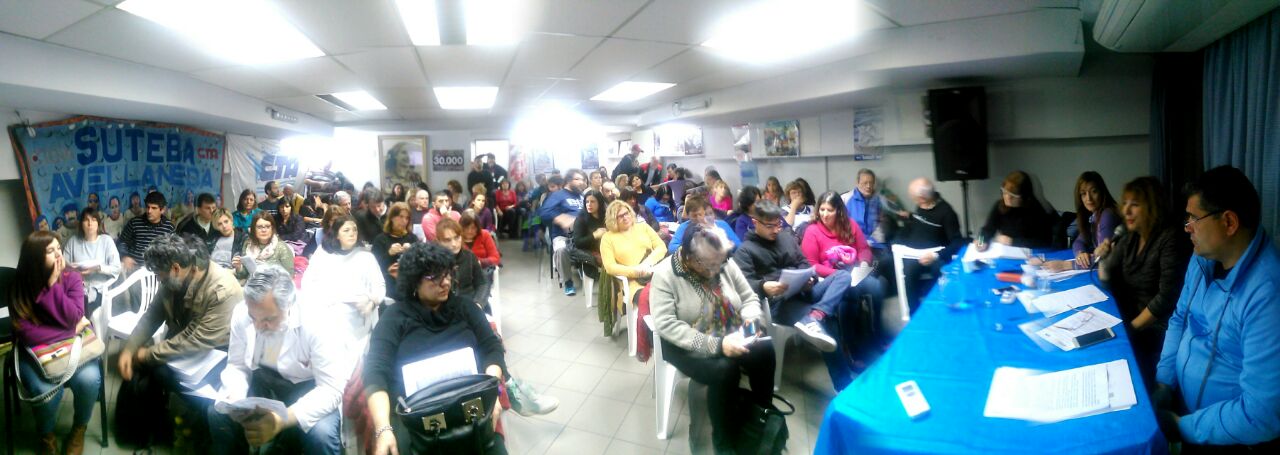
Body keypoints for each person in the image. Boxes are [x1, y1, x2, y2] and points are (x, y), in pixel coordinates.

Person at [1153, 166, 1280, 450]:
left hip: (1229, 438)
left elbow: (1261, 414)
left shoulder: (1267, 294)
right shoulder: (1202, 258)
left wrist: (1182, 427)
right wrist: (1164, 383)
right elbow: (1179, 319)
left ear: (1229, 222)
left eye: (1194, 219)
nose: (1187, 227)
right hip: (1187, 411)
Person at [363, 242, 508, 455]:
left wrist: (491, 394)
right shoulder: (395, 317)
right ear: (414, 280)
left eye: (447, 274)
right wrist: (383, 428)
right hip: (419, 420)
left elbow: (492, 349)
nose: (445, 282)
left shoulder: (466, 308)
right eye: (434, 277)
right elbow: (375, 372)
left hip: (470, 409)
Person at [649, 225, 775, 453]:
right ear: (690, 259)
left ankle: (761, 415)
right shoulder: (665, 274)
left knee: (764, 351)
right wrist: (717, 345)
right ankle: (722, 440)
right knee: (724, 369)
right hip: (685, 344)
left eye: (720, 262)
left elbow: (748, 297)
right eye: (710, 265)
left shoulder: (722, 262)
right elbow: (667, 325)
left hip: (730, 331)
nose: (718, 270)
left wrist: (752, 325)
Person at [208, 266, 351, 454]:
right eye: (253, 318)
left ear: (289, 305)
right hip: (264, 378)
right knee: (217, 414)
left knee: (321, 435)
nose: (258, 326)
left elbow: (331, 388)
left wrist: (280, 420)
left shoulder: (319, 320)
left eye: (269, 319)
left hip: (309, 385)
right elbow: (237, 365)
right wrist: (236, 399)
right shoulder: (243, 311)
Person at [118, 234, 241, 446]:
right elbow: (152, 315)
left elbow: (193, 340)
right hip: (188, 348)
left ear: (175, 268)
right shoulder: (175, 277)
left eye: (159, 275)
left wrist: (147, 354)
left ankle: (202, 421)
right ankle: (156, 426)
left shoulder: (222, 289)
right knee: (154, 372)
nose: (159, 280)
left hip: (220, 354)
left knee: (184, 385)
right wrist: (129, 349)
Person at [734, 200, 871, 389]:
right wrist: (764, 286)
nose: (776, 230)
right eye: (770, 226)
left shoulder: (785, 237)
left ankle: (817, 314)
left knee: (843, 277)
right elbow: (744, 285)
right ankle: (842, 384)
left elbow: (805, 263)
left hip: (804, 290)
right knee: (829, 321)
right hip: (780, 303)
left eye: (778, 224)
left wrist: (810, 279)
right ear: (755, 222)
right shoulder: (745, 250)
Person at [10, 231, 102, 455]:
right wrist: (71, 330)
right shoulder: (20, 283)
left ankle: (79, 429)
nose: (59, 254)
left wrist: (53, 287)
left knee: (90, 380)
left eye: (59, 248)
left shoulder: (72, 278)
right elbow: (27, 334)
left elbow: (75, 315)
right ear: (34, 257)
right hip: (35, 352)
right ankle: (47, 436)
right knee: (46, 391)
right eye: (50, 251)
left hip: (74, 349)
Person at [1096, 177, 1189, 384]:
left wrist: (1130, 329)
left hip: (1156, 328)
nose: (1126, 211)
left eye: (1135, 205)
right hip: (1131, 319)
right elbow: (1110, 282)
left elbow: (1167, 298)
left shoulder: (1170, 238)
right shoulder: (1131, 235)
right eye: (1125, 203)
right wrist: (1104, 259)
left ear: (1152, 207)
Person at [800, 191, 886, 336]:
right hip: (829, 278)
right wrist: (840, 275)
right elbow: (812, 264)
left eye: (830, 210)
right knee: (849, 295)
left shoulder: (850, 225)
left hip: (854, 273)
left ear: (838, 211)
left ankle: (878, 329)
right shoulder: (812, 231)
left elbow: (863, 249)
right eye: (822, 209)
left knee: (877, 286)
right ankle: (850, 341)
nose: (825, 214)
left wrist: (864, 264)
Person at [300, 212, 385, 346]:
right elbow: (308, 283)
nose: (352, 233)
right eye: (346, 230)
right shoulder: (323, 254)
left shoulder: (366, 257)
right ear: (337, 235)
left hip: (360, 321)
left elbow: (379, 285)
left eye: (354, 230)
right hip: (329, 320)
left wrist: (373, 302)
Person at [891, 178, 964, 312]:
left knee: (940, 271)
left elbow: (957, 242)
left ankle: (942, 311)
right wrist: (911, 217)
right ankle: (914, 314)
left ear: (922, 198)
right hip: (914, 252)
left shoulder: (947, 213)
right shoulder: (922, 205)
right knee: (908, 272)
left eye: (915, 199)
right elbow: (923, 222)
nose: (914, 202)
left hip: (936, 255)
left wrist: (935, 255)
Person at [1039, 172, 1122, 272]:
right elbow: (1078, 241)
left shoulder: (1107, 215)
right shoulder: (1093, 215)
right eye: (1083, 194)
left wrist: (1065, 265)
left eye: (1094, 191)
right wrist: (1080, 253)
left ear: (1102, 192)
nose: (1088, 198)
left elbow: (1105, 259)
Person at [62, 207, 121, 312]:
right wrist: (75, 271)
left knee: (90, 313)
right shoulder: (73, 242)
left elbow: (116, 268)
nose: (90, 224)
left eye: (93, 220)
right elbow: (63, 266)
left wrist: (98, 268)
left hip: (101, 290)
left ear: (98, 223)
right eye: (86, 220)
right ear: (81, 224)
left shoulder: (106, 241)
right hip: (77, 289)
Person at [975, 170, 1053, 250]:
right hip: (1007, 250)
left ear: (1023, 196)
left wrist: (1012, 241)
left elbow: (1044, 241)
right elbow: (986, 230)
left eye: (1012, 196)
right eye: (1005, 192)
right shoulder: (1000, 205)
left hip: (1029, 252)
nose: (1007, 198)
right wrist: (981, 241)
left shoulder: (1035, 210)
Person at [538, 169, 587, 296]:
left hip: (582, 234)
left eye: (583, 180)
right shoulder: (558, 195)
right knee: (561, 249)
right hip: (563, 235)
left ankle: (587, 270)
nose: (581, 182)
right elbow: (544, 212)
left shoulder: (582, 196)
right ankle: (568, 282)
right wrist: (559, 217)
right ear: (569, 181)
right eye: (578, 179)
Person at [117, 191, 176, 290]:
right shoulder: (134, 223)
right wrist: (125, 256)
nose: (149, 211)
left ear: (162, 210)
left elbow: (173, 251)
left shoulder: (169, 227)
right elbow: (121, 242)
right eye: (147, 207)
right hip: (135, 273)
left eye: (154, 208)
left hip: (159, 275)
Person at [844, 169, 891, 275]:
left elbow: (883, 224)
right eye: (865, 183)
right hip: (855, 246)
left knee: (888, 260)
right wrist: (860, 243)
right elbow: (842, 226)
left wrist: (871, 241)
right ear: (857, 183)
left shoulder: (879, 200)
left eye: (871, 183)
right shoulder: (846, 199)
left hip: (876, 244)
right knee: (870, 268)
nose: (869, 186)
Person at [435, 218, 490, 308]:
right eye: (447, 240)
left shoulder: (469, 256)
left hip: (469, 303)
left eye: (457, 238)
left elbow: (482, 283)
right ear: (439, 241)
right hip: (443, 307)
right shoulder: (433, 260)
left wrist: (478, 303)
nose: (454, 244)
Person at [372, 202, 421, 294]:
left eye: (407, 218)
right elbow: (373, 266)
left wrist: (412, 251)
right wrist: (389, 253)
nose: (404, 221)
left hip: (409, 283)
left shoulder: (412, 238)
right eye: (401, 216)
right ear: (392, 217)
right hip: (387, 283)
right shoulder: (380, 239)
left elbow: (421, 262)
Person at [667, 196, 741, 254]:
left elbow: (738, 246)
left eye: (701, 214)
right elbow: (672, 248)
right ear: (688, 216)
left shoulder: (721, 224)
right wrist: (693, 249)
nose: (699, 218)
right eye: (694, 216)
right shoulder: (684, 227)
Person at [235, 211, 296, 281]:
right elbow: (243, 275)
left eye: (267, 226)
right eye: (259, 227)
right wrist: (239, 267)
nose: (264, 230)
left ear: (272, 228)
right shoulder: (248, 245)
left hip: (275, 285)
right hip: (252, 284)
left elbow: (289, 276)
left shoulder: (281, 247)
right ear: (253, 229)